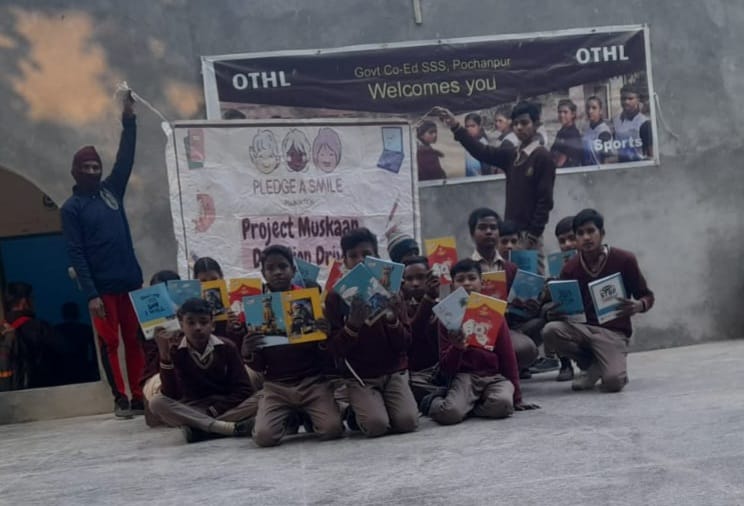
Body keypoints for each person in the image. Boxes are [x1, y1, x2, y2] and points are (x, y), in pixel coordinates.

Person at [60, 92, 145, 418]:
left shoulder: (112, 191)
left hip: (130, 282)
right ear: (76, 171)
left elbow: (126, 158)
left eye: (96, 166)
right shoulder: (71, 209)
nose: (93, 171)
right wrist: (91, 293)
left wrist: (129, 120)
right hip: (102, 289)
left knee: (135, 340)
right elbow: (76, 251)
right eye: (87, 167)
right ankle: (120, 398)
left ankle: (139, 395)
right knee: (110, 344)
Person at [542, 209, 654, 392]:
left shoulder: (624, 259)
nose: (586, 237)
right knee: (550, 330)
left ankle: (607, 367)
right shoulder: (570, 268)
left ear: (601, 233)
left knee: (613, 382)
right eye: (580, 233)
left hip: (613, 333)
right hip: (583, 329)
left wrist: (639, 305)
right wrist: (555, 312)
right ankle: (592, 365)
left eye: (591, 231)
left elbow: (647, 296)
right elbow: (566, 306)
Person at [436, 102, 556, 274]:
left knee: (531, 282)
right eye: (516, 124)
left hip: (528, 235)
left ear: (536, 124)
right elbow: (482, 152)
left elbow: (545, 200)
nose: (519, 128)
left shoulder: (542, 156)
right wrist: (455, 126)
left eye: (524, 123)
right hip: (508, 234)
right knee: (508, 280)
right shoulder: (512, 154)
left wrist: (533, 235)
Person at [243, 245, 343, 447]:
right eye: (271, 268)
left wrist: (325, 335)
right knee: (264, 437)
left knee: (332, 429)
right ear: (263, 273)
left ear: (293, 270)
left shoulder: (309, 301)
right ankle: (291, 416)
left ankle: (307, 414)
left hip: (312, 382)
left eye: (283, 266)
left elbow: (325, 354)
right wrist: (247, 352)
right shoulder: (257, 308)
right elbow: (259, 365)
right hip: (277, 386)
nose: (278, 272)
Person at [420, 259, 539, 424]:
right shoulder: (447, 315)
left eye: (472, 278)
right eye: (460, 279)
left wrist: (517, 397)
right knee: (450, 414)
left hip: (493, 376)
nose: (467, 283)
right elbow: (445, 366)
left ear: (482, 282)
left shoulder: (493, 311)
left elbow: (507, 355)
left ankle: (471, 407)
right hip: (464, 377)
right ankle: (433, 402)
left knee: (504, 404)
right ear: (452, 285)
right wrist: (457, 348)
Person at [324, 228, 418, 437]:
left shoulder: (393, 290)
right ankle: (354, 411)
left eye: (366, 255)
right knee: (376, 426)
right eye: (353, 256)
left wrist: (392, 318)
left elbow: (405, 343)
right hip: (360, 376)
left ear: (376, 257)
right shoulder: (336, 297)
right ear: (345, 261)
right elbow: (334, 350)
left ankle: (374, 406)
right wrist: (352, 326)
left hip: (393, 371)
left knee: (407, 422)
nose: (360, 260)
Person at [148, 298, 257, 443]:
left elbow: (244, 390)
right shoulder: (175, 351)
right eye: (191, 323)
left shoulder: (227, 347)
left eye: (204, 322)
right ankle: (228, 428)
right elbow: (172, 395)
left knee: (264, 397)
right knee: (156, 403)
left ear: (212, 325)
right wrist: (164, 355)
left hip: (225, 405)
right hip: (194, 408)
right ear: (181, 325)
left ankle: (202, 429)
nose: (198, 328)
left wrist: (214, 411)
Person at [140, 270, 182, 427]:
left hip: (191, 371)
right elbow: (151, 362)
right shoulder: (147, 328)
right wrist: (164, 346)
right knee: (158, 395)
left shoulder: (194, 319)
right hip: (160, 373)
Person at [401, 256, 442, 403]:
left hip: (438, 371)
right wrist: (428, 299)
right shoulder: (400, 308)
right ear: (402, 283)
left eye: (421, 277)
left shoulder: (442, 305)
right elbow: (412, 334)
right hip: (413, 374)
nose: (415, 283)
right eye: (409, 279)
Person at [2, 282, 57, 389]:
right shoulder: (39, 327)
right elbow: (64, 350)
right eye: (32, 298)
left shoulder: (3, 328)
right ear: (24, 301)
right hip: (36, 388)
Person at [192, 257, 246, 350]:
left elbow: (243, 342)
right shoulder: (192, 310)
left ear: (221, 277)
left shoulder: (235, 304)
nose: (210, 285)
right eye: (203, 281)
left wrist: (235, 329)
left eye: (214, 279)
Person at [53, 302, 99, 385]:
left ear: (63, 314)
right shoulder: (86, 329)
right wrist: (93, 368)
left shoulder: (55, 330)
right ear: (77, 313)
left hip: (62, 372)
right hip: (83, 370)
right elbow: (95, 352)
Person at [612, 85, 653, 162]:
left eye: (630, 98)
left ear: (638, 100)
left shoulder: (644, 122)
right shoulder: (616, 120)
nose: (626, 102)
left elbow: (651, 154)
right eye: (623, 98)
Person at [551, 99, 583, 168]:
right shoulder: (561, 132)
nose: (561, 115)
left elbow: (559, 162)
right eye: (559, 112)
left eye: (565, 112)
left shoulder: (573, 134)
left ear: (573, 114)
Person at [581, 96, 613, 166]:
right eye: (588, 108)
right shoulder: (587, 128)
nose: (590, 111)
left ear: (600, 111)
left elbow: (607, 159)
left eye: (594, 108)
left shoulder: (603, 131)